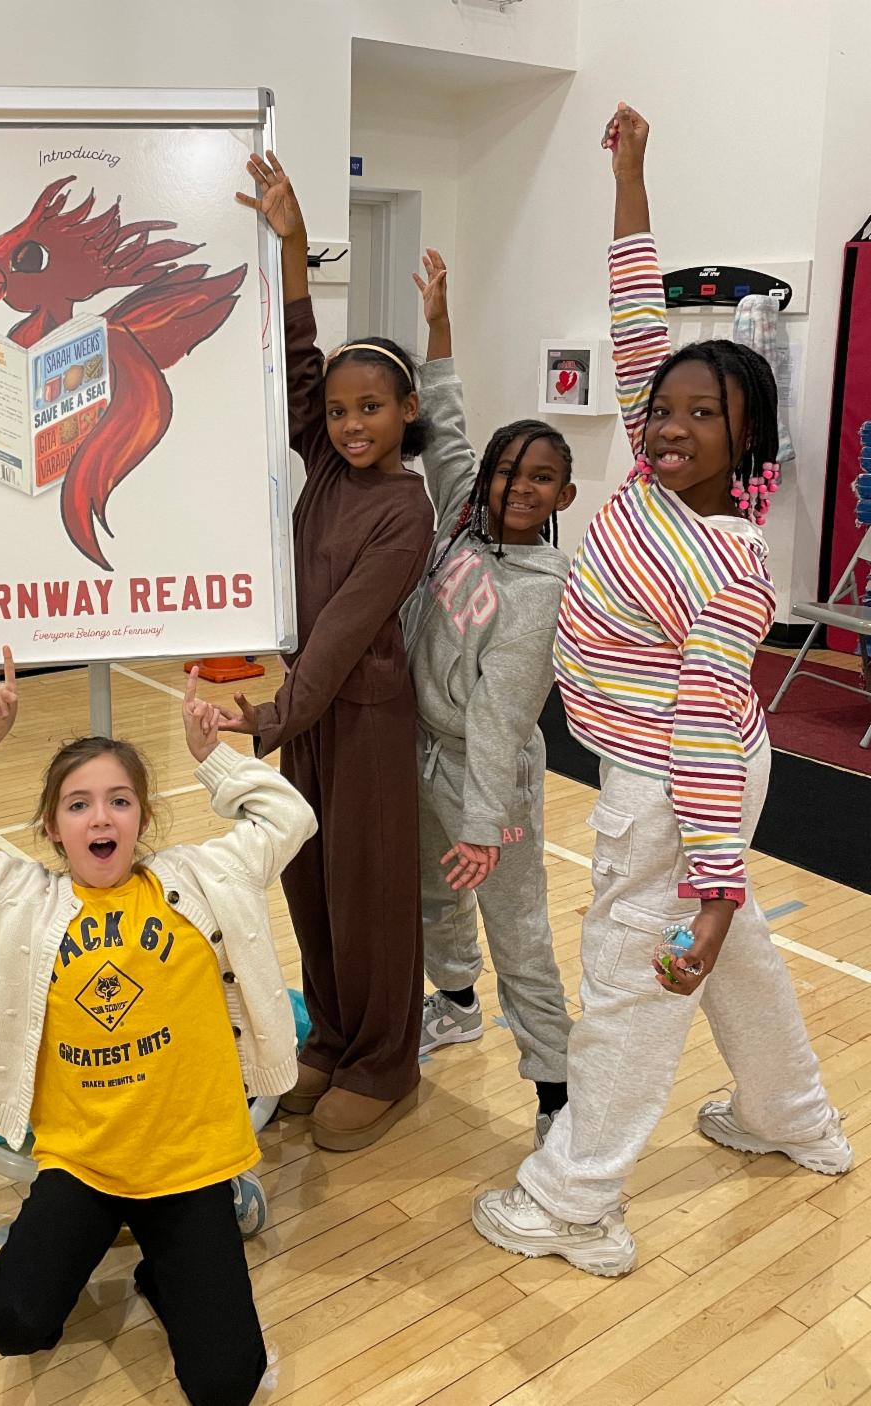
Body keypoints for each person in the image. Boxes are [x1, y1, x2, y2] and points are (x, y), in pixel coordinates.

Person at [472, 104, 852, 1278]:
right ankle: (797, 1120)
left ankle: (577, 1200)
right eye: (666, 407)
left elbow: (698, 726)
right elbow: (641, 312)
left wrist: (717, 880)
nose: (674, 423)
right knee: (722, 962)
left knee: (637, 983)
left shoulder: (732, 563)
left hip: (673, 782)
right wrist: (634, 178)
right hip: (668, 765)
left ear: (750, 445)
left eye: (705, 415)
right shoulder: (644, 474)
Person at [0, 654, 313, 1405]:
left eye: (120, 801)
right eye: (79, 805)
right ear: (51, 828)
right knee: (13, 1324)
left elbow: (290, 818)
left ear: (144, 818)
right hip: (83, 1165)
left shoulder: (203, 879)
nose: (101, 817)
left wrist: (210, 756)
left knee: (225, 1386)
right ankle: (76, 1242)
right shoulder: (18, 892)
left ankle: (168, 1262)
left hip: (190, 1165)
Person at [224, 152, 435, 1151]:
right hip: (308, 711)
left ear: (408, 417)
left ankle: (387, 1063)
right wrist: (293, 249)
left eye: (373, 409)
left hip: (362, 718)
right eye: (343, 411)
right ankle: (335, 1035)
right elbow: (297, 363)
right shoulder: (323, 461)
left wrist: (267, 717)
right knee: (310, 890)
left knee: (369, 901)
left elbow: (349, 633)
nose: (350, 423)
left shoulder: (405, 507)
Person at [402, 249, 574, 1142]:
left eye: (539, 478)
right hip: (428, 750)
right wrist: (439, 327)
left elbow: (506, 720)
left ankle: (555, 1092)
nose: (515, 488)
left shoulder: (540, 588)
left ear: (563, 494)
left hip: (490, 778)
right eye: (509, 473)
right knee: (436, 898)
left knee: (519, 927)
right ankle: (457, 1002)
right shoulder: (467, 512)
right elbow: (451, 428)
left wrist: (481, 825)